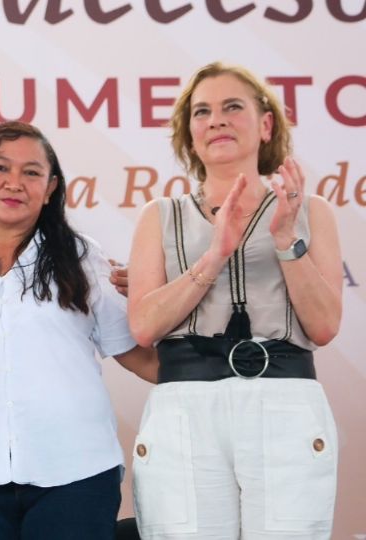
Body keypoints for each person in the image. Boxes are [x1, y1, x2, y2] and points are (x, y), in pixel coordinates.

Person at [127, 62, 343, 539]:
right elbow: (143, 327)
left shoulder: (311, 212)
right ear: (190, 133)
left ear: (266, 125)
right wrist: (214, 256)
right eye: (202, 111)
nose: (217, 120)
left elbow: (324, 326)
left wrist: (286, 239)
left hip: (286, 401)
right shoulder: (159, 216)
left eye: (232, 107)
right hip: (185, 407)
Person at [0, 121, 157, 540]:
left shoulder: (83, 258)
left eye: (31, 173)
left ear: (50, 188)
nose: (15, 183)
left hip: (76, 473)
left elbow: (139, 357)